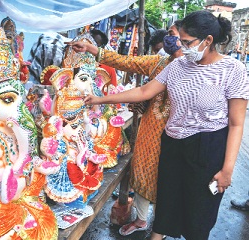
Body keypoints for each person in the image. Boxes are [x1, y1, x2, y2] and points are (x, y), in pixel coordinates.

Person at [67, 10, 249, 240]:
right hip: (172, 144)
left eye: (186, 42)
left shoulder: (234, 70)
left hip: (208, 147)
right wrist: (99, 99)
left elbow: (236, 124)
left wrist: (227, 170)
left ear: (208, 40)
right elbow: (144, 91)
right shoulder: (178, 66)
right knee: (167, 202)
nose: (181, 46)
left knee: (199, 212)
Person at [71, 21, 182, 236]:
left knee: (168, 181)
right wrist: (93, 49)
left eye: (175, 34)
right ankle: (141, 220)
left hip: (176, 134)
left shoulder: (194, 70)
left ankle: (161, 226)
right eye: (169, 33)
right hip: (151, 130)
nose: (170, 38)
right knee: (142, 173)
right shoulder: (158, 63)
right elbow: (125, 62)